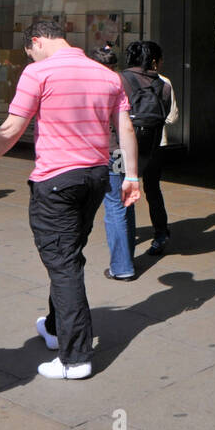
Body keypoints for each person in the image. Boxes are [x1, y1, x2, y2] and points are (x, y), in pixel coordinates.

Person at [0, 20, 141, 380]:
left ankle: (74, 358)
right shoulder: (107, 75)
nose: (29, 56)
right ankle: (55, 326)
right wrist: (132, 176)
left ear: (36, 41)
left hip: (57, 180)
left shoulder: (37, 72)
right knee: (67, 256)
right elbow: (125, 128)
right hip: (96, 177)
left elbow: (12, 129)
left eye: (29, 50)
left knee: (63, 264)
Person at [122, 40, 173, 256]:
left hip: (122, 150)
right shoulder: (165, 85)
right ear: (154, 60)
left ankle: (125, 247)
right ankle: (160, 234)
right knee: (153, 190)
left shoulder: (120, 80)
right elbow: (169, 116)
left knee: (123, 195)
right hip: (154, 146)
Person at [93, 47, 136, 280]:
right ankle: (127, 256)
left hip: (106, 151)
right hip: (121, 152)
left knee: (114, 207)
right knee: (125, 201)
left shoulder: (95, 82)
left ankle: (122, 266)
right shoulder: (122, 81)